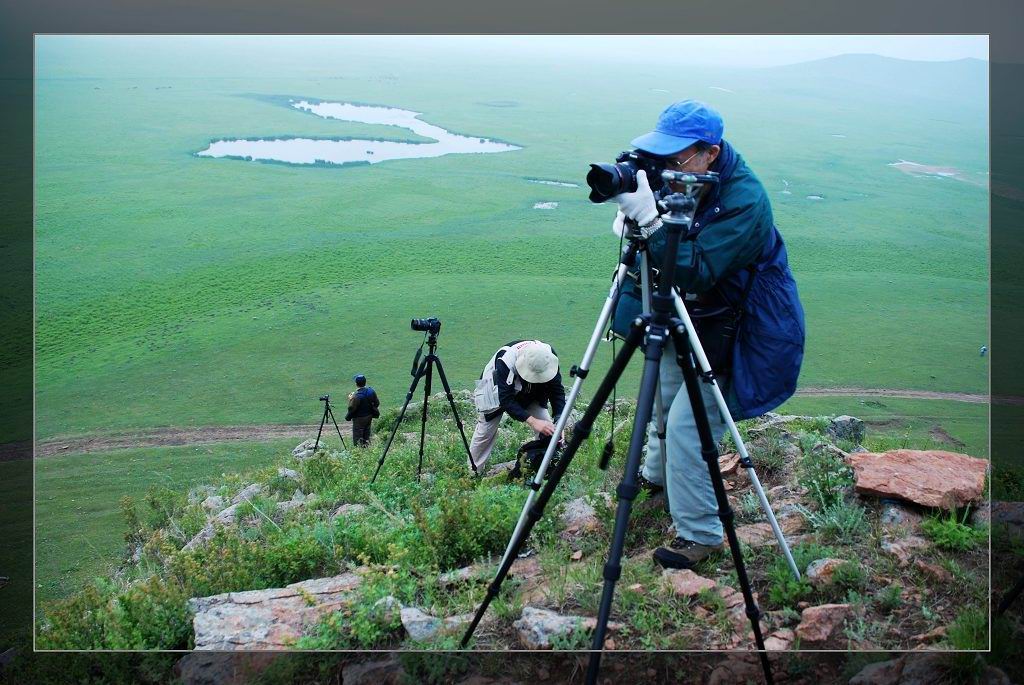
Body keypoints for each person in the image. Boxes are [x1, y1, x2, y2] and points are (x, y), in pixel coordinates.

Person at [611, 99, 805, 570]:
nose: (666, 166)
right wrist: (636, 211)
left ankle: (700, 533)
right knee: (661, 396)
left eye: (676, 157)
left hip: (734, 330)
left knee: (687, 425)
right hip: (687, 315)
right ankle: (658, 486)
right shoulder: (681, 169)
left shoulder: (746, 201)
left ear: (710, 153)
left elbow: (695, 270)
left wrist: (652, 224)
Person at [469, 340, 567, 472]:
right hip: (495, 387)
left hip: (531, 391)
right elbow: (506, 400)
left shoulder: (548, 358)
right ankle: (473, 472)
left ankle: (542, 468)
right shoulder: (505, 361)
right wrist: (533, 421)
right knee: (485, 431)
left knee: (549, 429)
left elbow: (557, 392)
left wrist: (560, 421)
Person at [345, 374, 380, 447]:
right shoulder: (371, 391)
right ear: (365, 382)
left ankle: (359, 453)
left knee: (358, 439)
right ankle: (367, 450)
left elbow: (351, 408)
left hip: (359, 419)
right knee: (367, 436)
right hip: (369, 416)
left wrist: (351, 399)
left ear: (356, 384)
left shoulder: (357, 396)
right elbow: (377, 403)